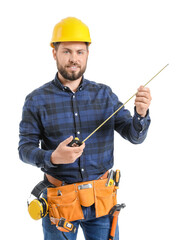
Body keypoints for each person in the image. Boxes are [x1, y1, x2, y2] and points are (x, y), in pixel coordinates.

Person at [18, 17, 151, 240]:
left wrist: (141, 114)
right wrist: (53, 157)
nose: (73, 59)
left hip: (101, 202)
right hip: (60, 203)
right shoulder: (36, 100)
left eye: (80, 52)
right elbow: (24, 149)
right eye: (67, 51)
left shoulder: (105, 95)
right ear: (54, 53)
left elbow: (134, 136)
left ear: (88, 54)